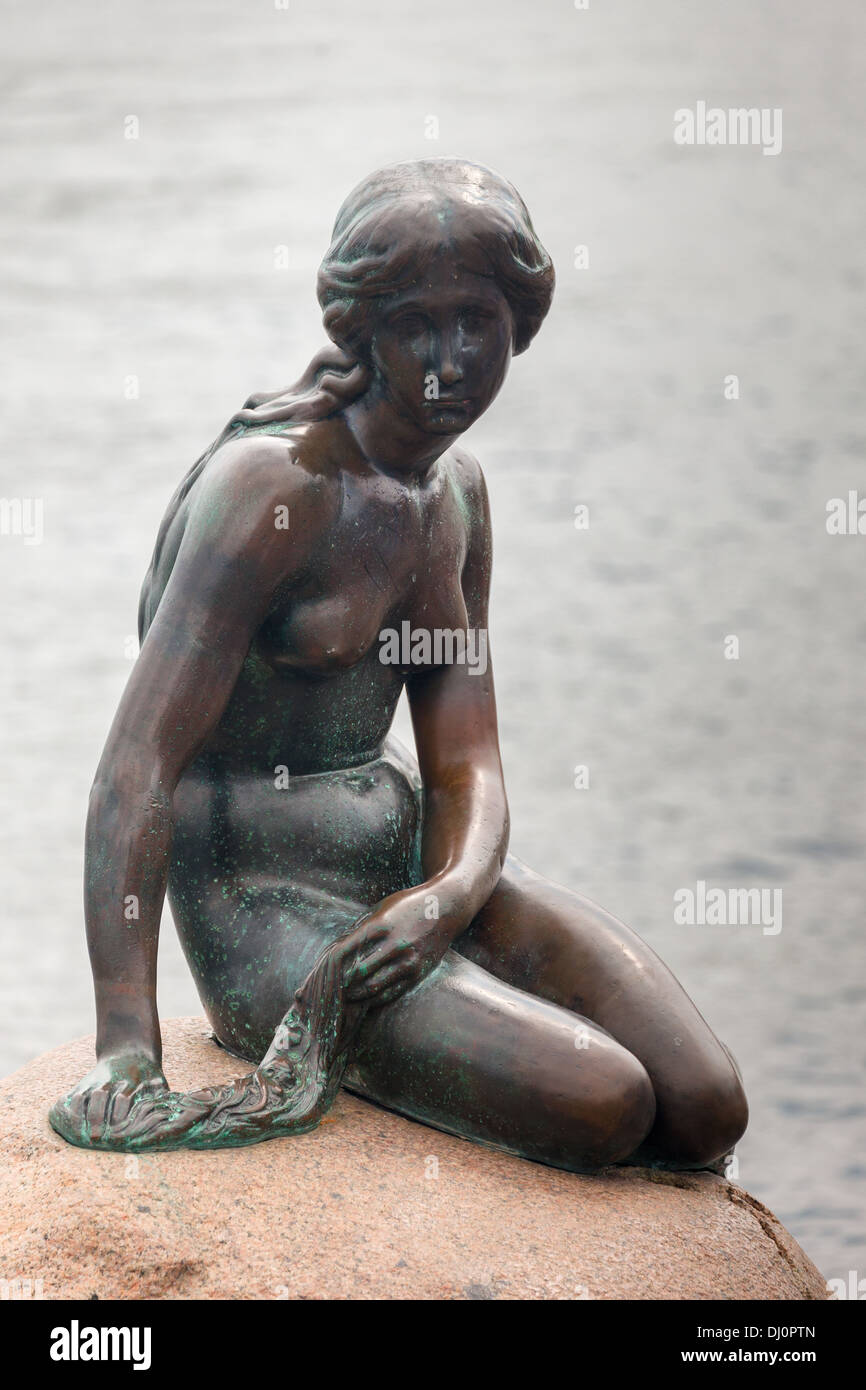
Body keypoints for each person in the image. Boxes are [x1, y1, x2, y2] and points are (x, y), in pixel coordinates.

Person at [50, 158, 747, 1168]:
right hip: (265, 909)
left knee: (703, 1102)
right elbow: (135, 769)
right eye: (413, 324)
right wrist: (125, 1047)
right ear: (358, 327)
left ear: (519, 323)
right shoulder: (273, 491)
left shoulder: (453, 496)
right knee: (606, 1103)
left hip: (407, 875)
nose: (446, 360)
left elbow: (468, 763)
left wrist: (446, 894)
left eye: (477, 321)